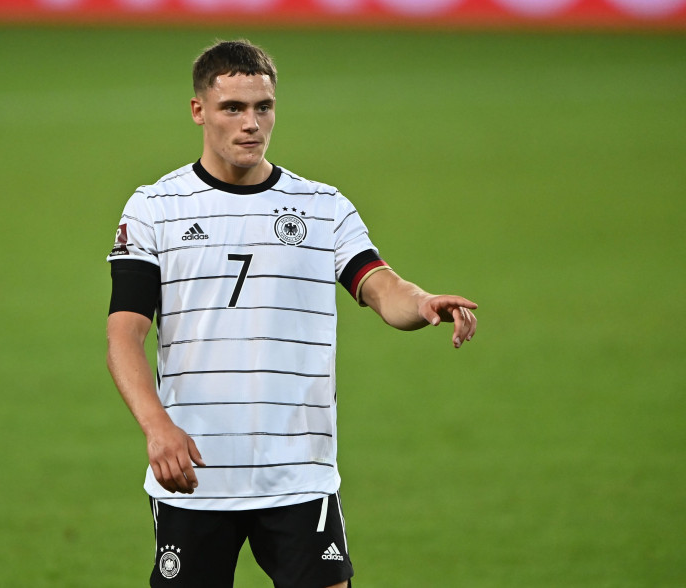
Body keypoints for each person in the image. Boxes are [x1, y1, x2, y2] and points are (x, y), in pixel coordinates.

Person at [106, 39, 477, 588]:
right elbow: (124, 336)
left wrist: (422, 304)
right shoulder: (154, 209)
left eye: (263, 107)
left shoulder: (322, 207)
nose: (251, 123)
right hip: (197, 476)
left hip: (299, 474)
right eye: (233, 108)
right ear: (198, 110)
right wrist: (157, 427)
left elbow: (382, 288)